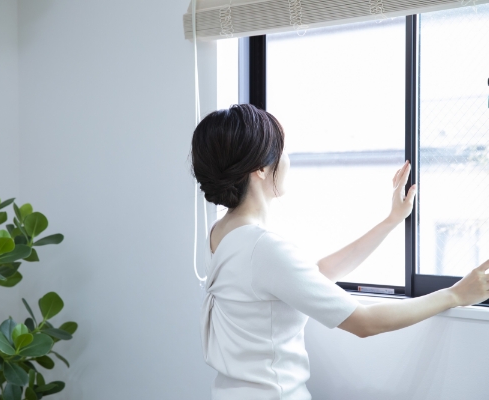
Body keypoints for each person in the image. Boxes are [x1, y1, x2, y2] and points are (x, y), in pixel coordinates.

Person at [190, 104, 489, 400]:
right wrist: (454, 295)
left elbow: (315, 275)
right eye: (282, 150)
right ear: (260, 168)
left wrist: (391, 221)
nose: (287, 159)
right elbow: (365, 322)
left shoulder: (221, 234)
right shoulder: (262, 248)